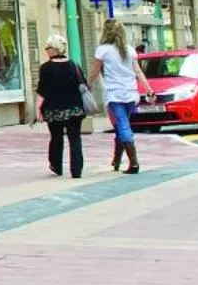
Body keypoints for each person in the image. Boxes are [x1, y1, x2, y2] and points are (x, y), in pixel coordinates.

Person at [95, 18, 141, 174]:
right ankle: (117, 159)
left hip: (114, 94)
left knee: (122, 125)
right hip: (131, 94)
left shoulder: (103, 50)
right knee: (121, 125)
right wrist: (149, 89)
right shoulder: (130, 50)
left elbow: (95, 71)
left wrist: (86, 85)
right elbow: (138, 71)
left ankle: (133, 163)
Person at [37, 37, 85, 178]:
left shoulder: (46, 68)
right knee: (75, 138)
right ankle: (76, 170)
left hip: (54, 109)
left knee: (56, 137)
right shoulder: (74, 65)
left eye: (48, 48)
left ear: (54, 49)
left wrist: (37, 109)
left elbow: (42, 90)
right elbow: (82, 84)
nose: (46, 51)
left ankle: (56, 165)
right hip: (74, 108)